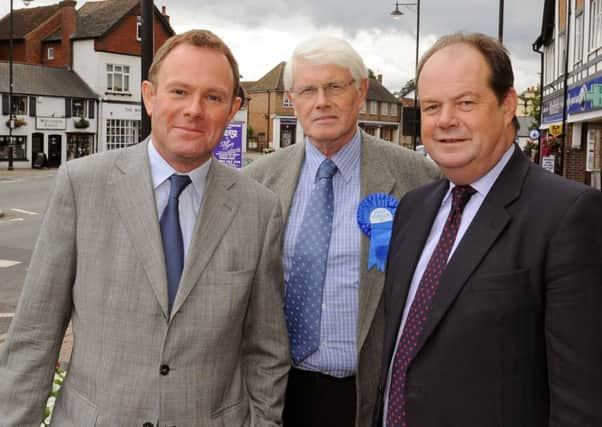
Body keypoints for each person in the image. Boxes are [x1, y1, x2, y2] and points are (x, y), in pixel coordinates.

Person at [0, 30, 289, 426]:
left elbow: (266, 349)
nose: (194, 109)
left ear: (233, 107)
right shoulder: (81, 185)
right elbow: (34, 334)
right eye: (179, 92)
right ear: (150, 96)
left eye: (213, 97)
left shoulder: (260, 209)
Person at [377, 32, 602, 427]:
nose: (445, 120)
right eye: (432, 106)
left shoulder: (568, 215)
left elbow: (581, 400)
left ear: (507, 104)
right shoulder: (413, 208)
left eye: (465, 102)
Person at [245, 36, 440, 427]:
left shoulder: (419, 178)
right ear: (292, 98)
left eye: (335, 87)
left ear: (361, 91)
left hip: (369, 392)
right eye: (308, 90)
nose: (322, 101)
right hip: (280, 391)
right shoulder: (257, 181)